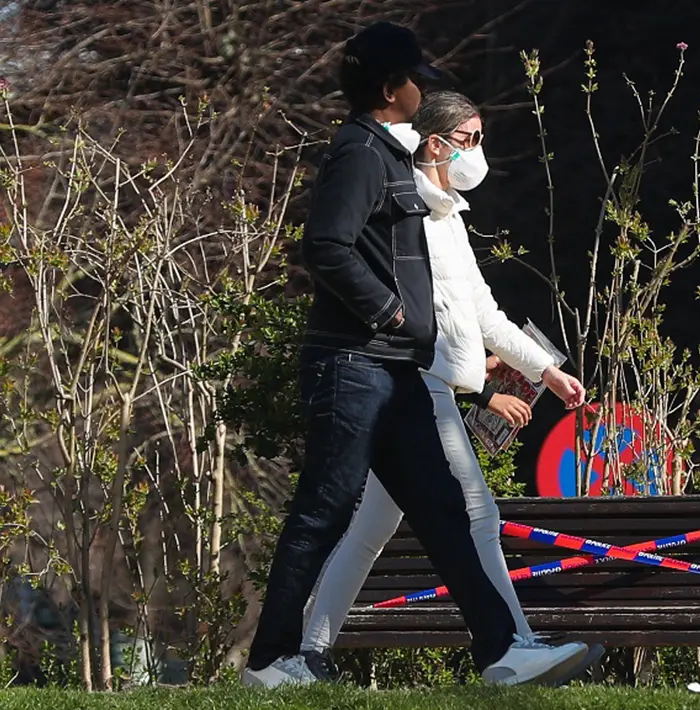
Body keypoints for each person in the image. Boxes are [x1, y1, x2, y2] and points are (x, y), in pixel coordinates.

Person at [242, 24, 590, 688]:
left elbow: (469, 306)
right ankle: (272, 661)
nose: (421, 88)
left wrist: (519, 363)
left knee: (445, 513)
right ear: (388, 88)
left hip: (392, 369)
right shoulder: (360, 154)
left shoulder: (385, 157)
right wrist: (393, 314)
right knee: (325, 509)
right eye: (414, 79)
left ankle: (501, 653)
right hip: (355, 363)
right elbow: (326, 247)